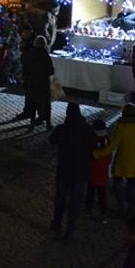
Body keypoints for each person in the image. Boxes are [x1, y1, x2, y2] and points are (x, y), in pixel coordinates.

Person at [93, 103, 135, 220]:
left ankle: (122, 208)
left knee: (118, 187)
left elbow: (113, 146)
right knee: (133, 190)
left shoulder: (121, 127)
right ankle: (131, 211)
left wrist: (97, 154)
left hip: (122, 163)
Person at [48, 103, 95, 241]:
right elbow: (93, 146)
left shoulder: (62, 129)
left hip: (64, 171)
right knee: (75, 204)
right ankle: (70, 231)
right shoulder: (87, 130)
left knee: (60, 200)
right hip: (80, 173)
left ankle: (57, 224)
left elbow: (51, 140)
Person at [21, 36, 55, 129]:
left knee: (32, 104)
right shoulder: (45, 56)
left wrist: (25, 79)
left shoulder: (29, 54)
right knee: (46, 104)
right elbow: (50, 71)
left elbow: (24, 69)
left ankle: (32, 123)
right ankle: (48, 123)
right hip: (43, 84)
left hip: (31, 84)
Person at [86, 118, 110, 219]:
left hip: (92, 169)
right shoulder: (107, 140)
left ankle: (88, 209)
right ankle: (103, 211)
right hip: (103, 170)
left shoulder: (91, 139)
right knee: (102, 193)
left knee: (90, 191)